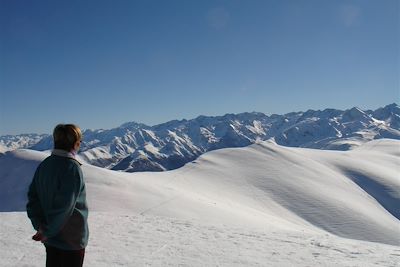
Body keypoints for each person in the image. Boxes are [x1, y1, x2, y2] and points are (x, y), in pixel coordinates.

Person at [26, 124, 89, 267]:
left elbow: (32, 199)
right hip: (71, 239)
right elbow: (65, 207)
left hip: (50, 238)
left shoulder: (45, 164)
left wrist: (40, 226)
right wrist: (47, 231)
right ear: (76, 143)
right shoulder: (72, 168)